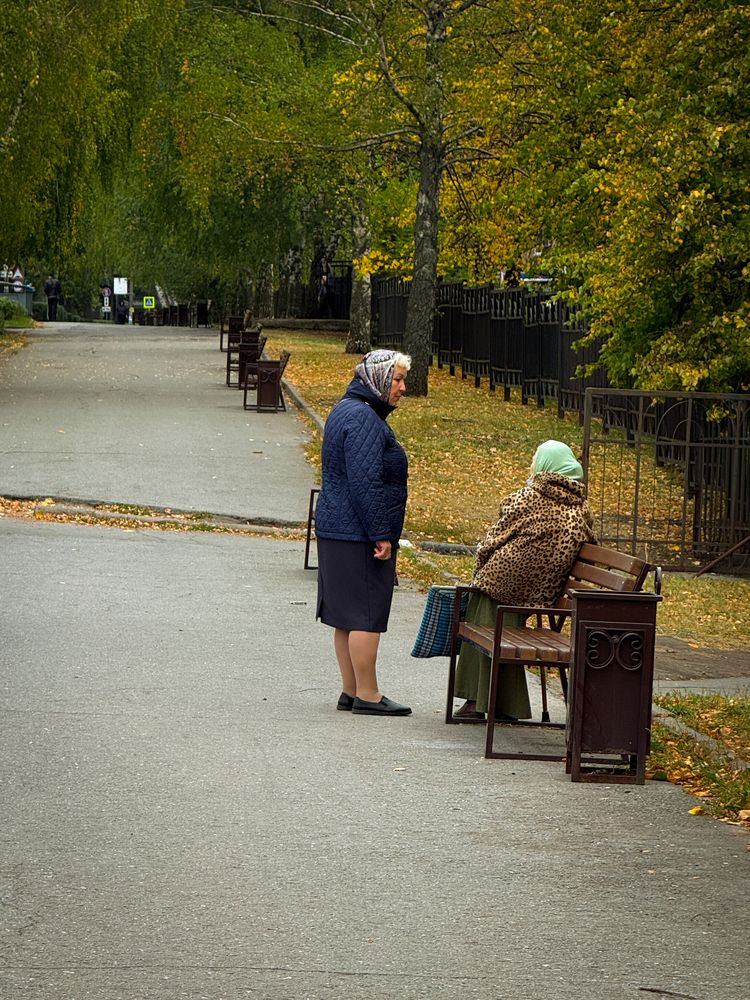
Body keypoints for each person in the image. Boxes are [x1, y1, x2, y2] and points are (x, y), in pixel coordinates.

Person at [453, 440, 596, 721]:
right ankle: (493, 702)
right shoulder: (580, 509)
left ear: (545, 466)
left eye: (536, 460)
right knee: (488, 611)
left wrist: (481, 564)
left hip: (503, 585)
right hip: (540, 591)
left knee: (484, 608)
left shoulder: (529, 497)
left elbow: (492, 540)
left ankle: (485, 701)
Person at [315, 349, 412, 717]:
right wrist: (381, 534)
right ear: (379, 380)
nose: (403, 388)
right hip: (357, 532)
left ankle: (351, 690)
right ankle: (368, 695)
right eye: (398, 380)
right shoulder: (365, 419)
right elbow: (365, 482)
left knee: (346, 615)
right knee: (367, 613)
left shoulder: (346, 409)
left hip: (336, 527)